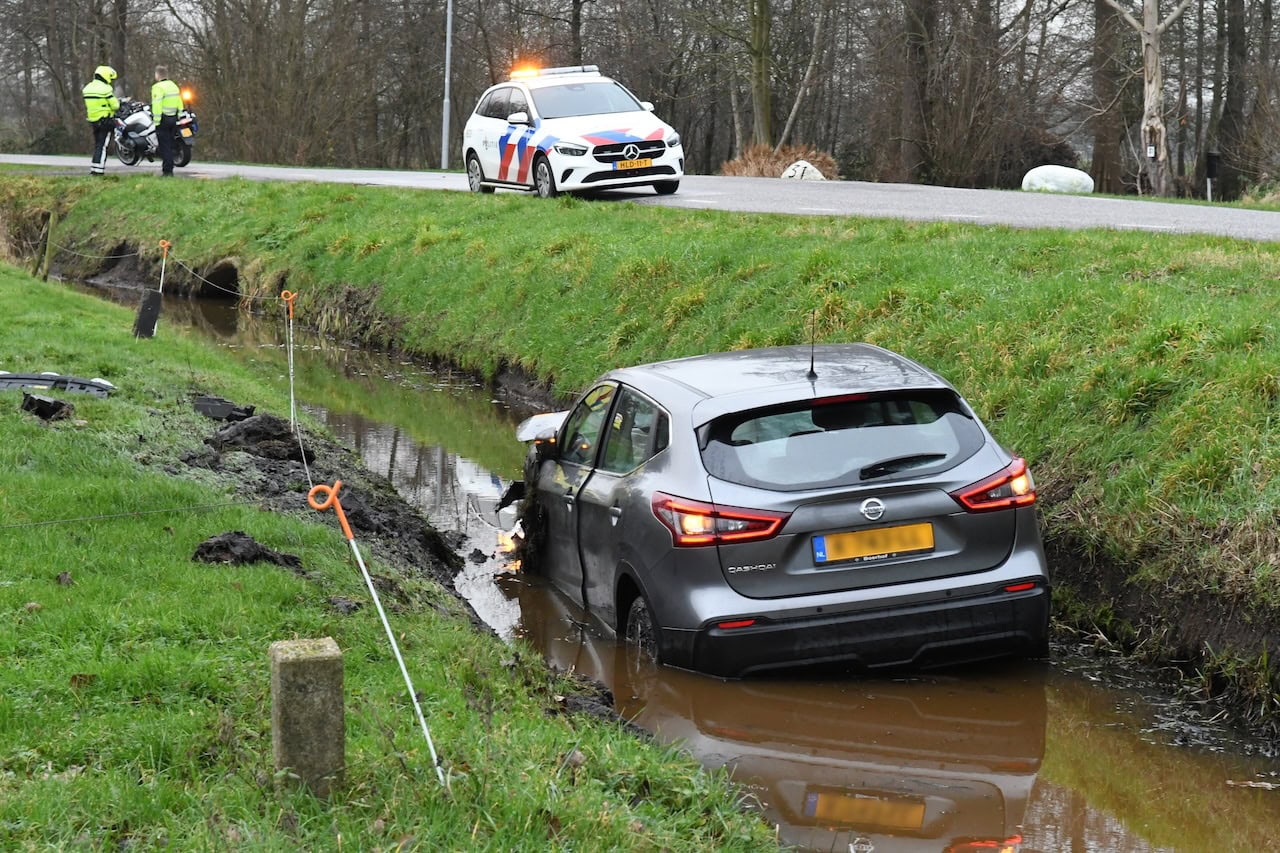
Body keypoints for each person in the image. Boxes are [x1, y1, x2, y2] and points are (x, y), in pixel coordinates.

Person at [82, 65, 119, 176]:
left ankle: (94, 167)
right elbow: (115, 105)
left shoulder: (87, 88)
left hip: (93, 120)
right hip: (105, 120)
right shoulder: (106, 89)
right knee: (102, 146)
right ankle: (99, 170)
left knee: (98, 144)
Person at [151, 65, 182, 176]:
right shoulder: (173, 86)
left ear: (157, 75)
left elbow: (157, 104)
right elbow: (179, 102)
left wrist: (156, 121)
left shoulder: (158, 87)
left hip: (163, 119)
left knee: (164, 146)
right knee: (170, 143)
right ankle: (170, 166)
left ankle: (167, 171)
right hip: (173, 118)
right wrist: (180, 114)